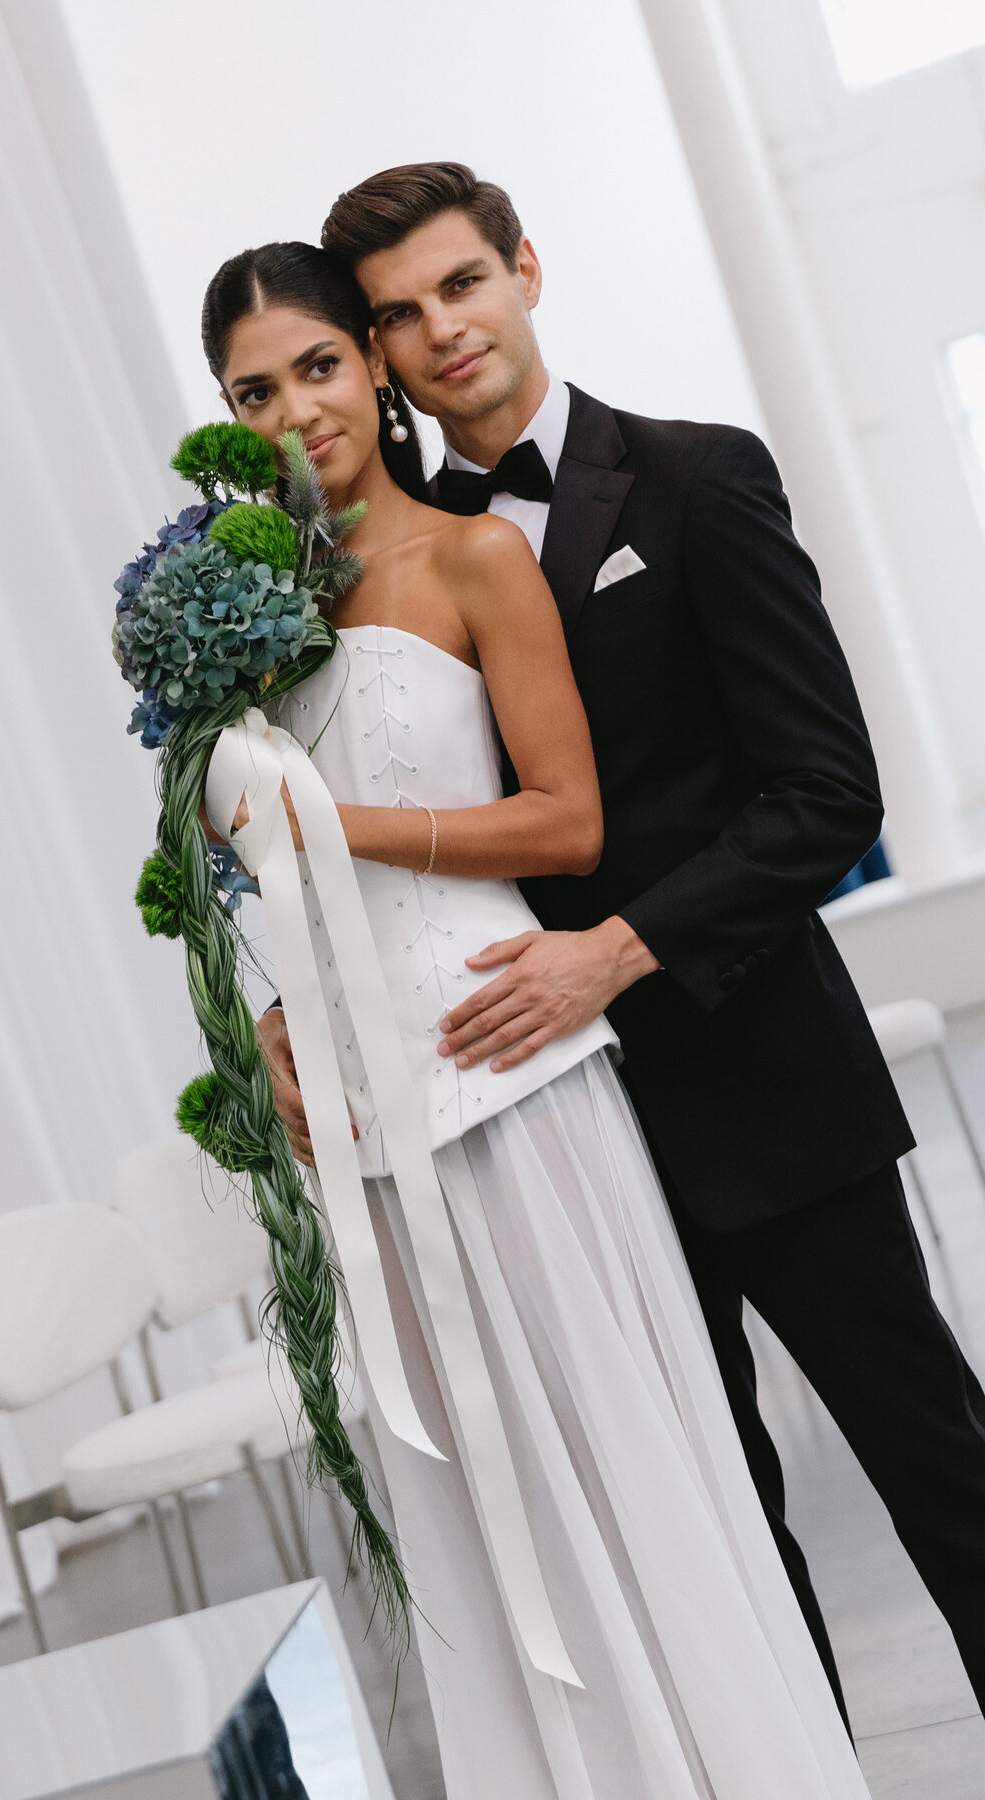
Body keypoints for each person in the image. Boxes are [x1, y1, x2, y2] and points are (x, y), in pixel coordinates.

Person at [264, 158, 985, 1725]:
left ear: (526, 267)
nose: (443, 330)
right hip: (562, 1143)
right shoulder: (397, 561)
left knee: (937, 1461)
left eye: (463, 282)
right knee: (712, 1539)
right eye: (398, 314)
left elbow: (824, 794)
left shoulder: (697, 478)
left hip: (762, 1084)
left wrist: (626, 947)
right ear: (377, 355)